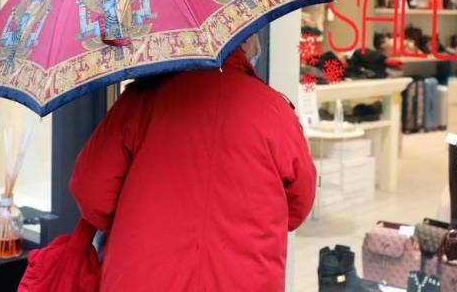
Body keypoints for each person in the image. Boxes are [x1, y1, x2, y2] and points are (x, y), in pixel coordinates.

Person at [69, 34, 316, 292]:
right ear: (242, 41)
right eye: (255, 36)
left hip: (143, 278)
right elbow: (299, 204)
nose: (257, 47)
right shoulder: (274, 110)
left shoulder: (141, 99)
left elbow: (91, 190)